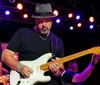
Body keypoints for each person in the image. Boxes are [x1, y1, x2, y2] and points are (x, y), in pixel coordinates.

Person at [1, 3, 65, 85]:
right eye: (40, 21)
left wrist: (56, 71)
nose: (44, 25)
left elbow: (60, 70)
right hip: (26, 81)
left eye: (47, 21)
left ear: (52, 20)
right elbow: (5, 55)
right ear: (35, 20)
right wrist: (20, 67)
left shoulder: (57, 41)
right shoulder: (22, 33)